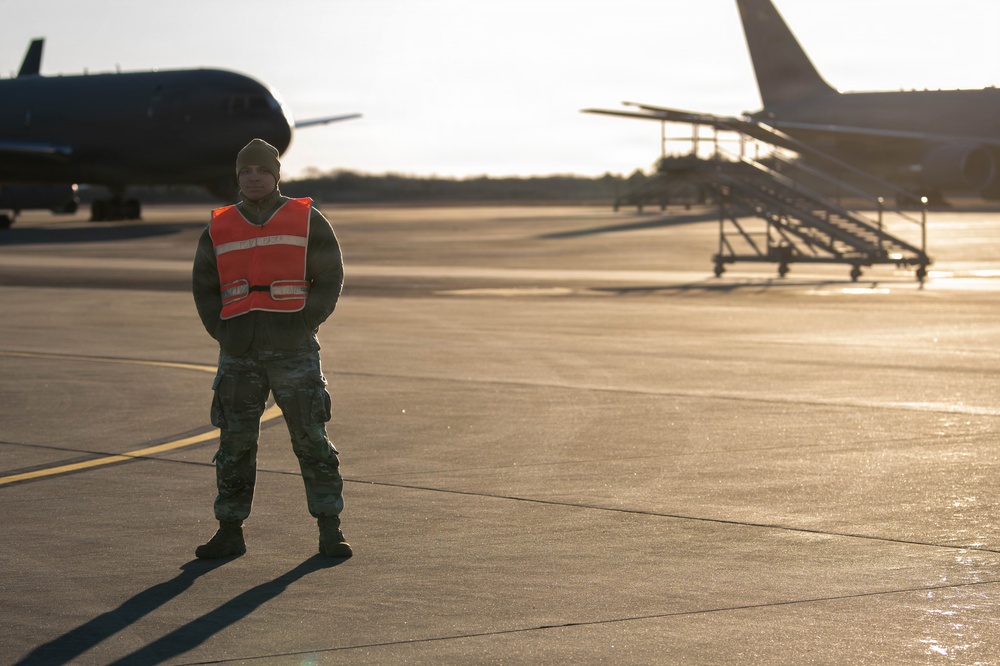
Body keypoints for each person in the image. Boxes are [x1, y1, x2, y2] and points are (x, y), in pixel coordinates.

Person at [191, 138, 350, 559]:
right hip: (239, 351)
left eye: (262, 170)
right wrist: (222, 332)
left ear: (276, 176)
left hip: (294, 349)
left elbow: (330, 276)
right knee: (235, 445)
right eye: (246, 171)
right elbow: (205, 286)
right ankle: (229, 530)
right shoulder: (219, 226)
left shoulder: (306, 219)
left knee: (312, 439)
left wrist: (305, 321)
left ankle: (330, 528)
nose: (254, 178)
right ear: (238, 177)